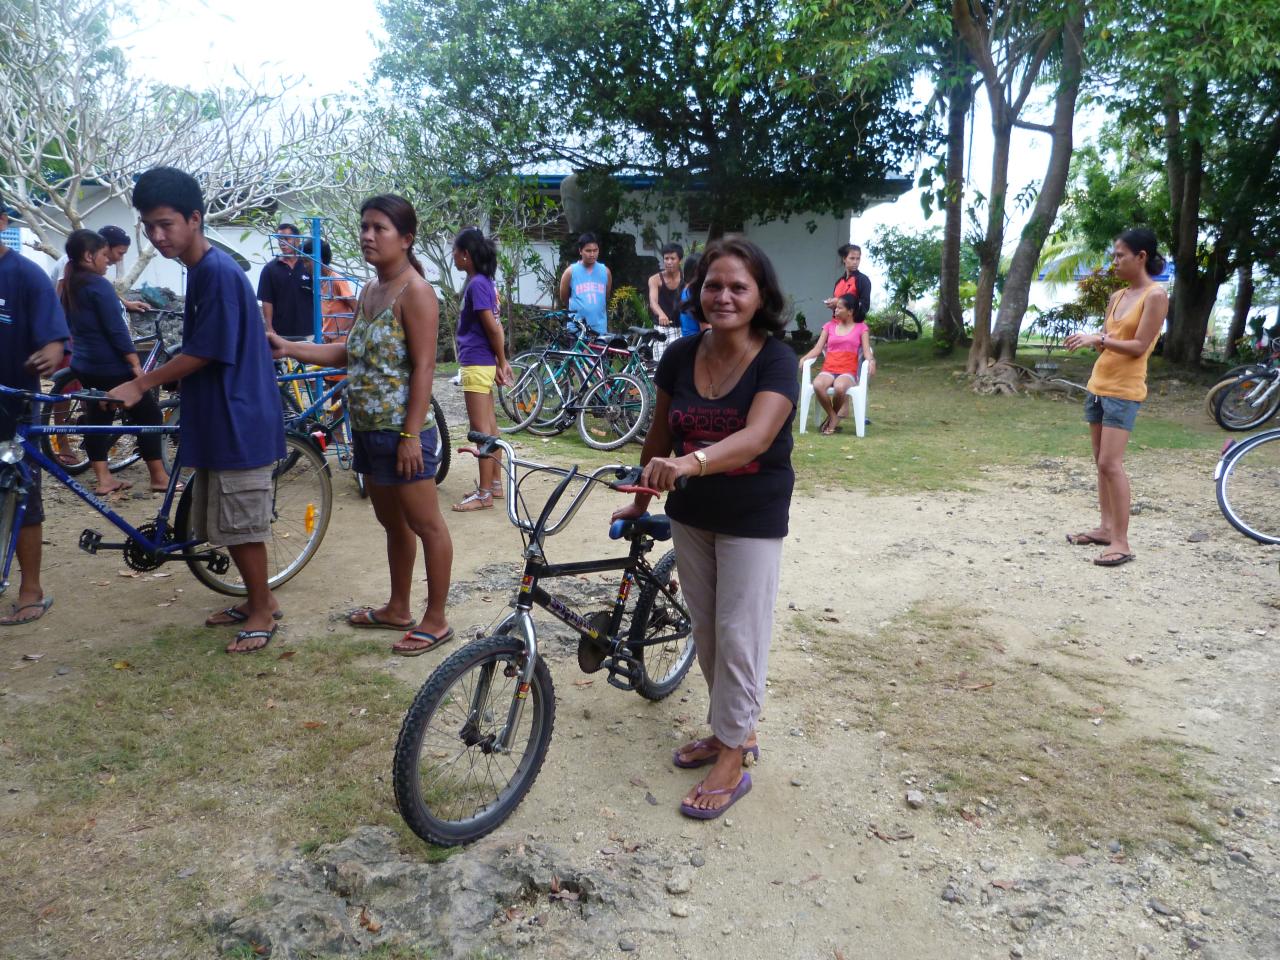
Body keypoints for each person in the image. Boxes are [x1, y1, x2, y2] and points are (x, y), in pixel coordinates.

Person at [613, 236, 797, 819]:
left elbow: (758, 436)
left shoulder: (777, 359)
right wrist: (642, 500)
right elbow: (660, 435)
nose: (724, 296)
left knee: (741, 636)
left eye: (738, 287)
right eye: (713, 285)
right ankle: (727, 732)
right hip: (692, 515)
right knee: (710, 634)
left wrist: (692, 463)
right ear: (697, 291)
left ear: (760, 295)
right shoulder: (680, 355)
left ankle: (735, 754)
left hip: (751, 516)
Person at [108, 167, 287, 653]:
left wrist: (140, 383)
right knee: (220, 520)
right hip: (218, 416)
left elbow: (206, 350)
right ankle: (256, 599)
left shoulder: (218, 272)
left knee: (242, 525)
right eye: (149, 227)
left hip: (240, 419)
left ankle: (263, 610)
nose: (158, 235)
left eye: (166, 224)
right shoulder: (202, 270)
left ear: (194, 218)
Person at [268, 195, 454, 657]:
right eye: (364, 227)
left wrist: (411, 435)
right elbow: (348, 352)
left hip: (403, 432)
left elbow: (425, 369)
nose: (368, 235)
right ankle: (398, 607)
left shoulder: (417, 293)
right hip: (367, 430)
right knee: (392, 524)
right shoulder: (371, 290)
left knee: (425, 524)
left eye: (380, 228)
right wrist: (288, 348)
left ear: (406, 239)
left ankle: (436, 619)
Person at [1063, 227, 1169, 568]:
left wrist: (1098, 340)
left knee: (1112, 463)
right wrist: (1097, 340)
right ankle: (1106, 528)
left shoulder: (1155, 296)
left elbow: (1139, 347)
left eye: (1120, 255)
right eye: (1114, 255)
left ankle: (1121, 541)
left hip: (1125, 390)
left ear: (1141, 257)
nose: (1115, 262)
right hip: (1099, 386)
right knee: (1100, 461)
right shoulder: (1117, 297)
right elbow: (1110, 339)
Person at [60, 229, 173, 495]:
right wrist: (135, 366)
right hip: (109, 366)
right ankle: (159, 477)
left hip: (84, 363)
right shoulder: (97, 284)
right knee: (149, 414)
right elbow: (116, 330)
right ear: (89, 256)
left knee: (98, 417)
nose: (107, 260)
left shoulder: (72, 281)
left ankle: (104, 479)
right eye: (103, 255)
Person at [0, 201, 70, 627]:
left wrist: (49, 352)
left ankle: (31, 590)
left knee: (22, 496)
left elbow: (54, 338)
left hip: (14, 410)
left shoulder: (25, 276)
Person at [450, 227, 513, 512]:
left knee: (480, 431)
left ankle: (484, 493)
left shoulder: (477, 285)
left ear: (466, 255)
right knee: (490, 426)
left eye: (455, 251)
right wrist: (500, 360)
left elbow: (492, 327)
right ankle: (495, 485)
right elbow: (494, 327)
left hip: (477, 361)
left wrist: (502, 360)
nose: (453, 255)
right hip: (482, 360)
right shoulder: (484, 282)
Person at [797, 293, 876, 435]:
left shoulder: (861, 328)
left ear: (850, 311)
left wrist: (871, 361)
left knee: (840, 387)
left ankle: (831, 419)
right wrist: (804, 358)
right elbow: (817, 348)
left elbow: (866, 351)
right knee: (818, 385)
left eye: (839, 308)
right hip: (829, 368)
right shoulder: (828, 326)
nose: (836, 310)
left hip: (848, 372)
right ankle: (833, 417)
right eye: (836, 308)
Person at [48, 226, 149, 313]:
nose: (120, 259)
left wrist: (126, 304)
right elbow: (58, 300)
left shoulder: (94, 267)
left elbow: (106, 289)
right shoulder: (69, 261)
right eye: (120, 253)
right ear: (105, 247)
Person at [257, 222, 312, 338]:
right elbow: (267, 301)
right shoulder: (270, 269)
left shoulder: (309, 265)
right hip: (281, 332)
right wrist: (270, 328)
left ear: (297, 240)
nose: (282, 243)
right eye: (280, 239)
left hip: (309, 331)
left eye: (287, 239)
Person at [300, 239, 357, 341]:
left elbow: (357, 309)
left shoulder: (336, 280)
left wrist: (339, 332)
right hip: (326, 338)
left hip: (341, 340)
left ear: (320, 259)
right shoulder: (317, 279)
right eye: (303, 261)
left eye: (307, 261)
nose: (304, 265)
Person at [558, 232, 611, 336]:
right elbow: (564, 298)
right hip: (576, 328)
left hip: (599, 329)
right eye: (588, 251)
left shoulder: (605, 271)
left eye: (595, 250)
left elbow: (606, 296)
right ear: (580, 251)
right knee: (576, 352)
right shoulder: (570, 272)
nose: (592, 254)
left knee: (597, 352)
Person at [647, 242, 684, 358]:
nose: (669, 262)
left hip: (681, 327)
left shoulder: (686, 278)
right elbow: (653, 302)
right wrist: (661, 314)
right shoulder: (655, 279)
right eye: (666, 258)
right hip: (661, 328)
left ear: (680, 260)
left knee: (679, 365)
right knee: (659, 365)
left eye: (673, 258)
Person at [823, 242, 871, 319]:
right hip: (836, 325)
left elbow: (864, 307)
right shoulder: (839, 282)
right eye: (852, 258)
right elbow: (837, 310)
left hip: (853, 326)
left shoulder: (863, 280)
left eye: (858, 258)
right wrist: (833, 305)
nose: (855, 262)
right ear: (844, 259)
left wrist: (839, 302)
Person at [677, 253, 703, 337]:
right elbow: (706, 330)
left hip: (688, 341)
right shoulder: (695, 293)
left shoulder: (685, 289)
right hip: (698, 344)